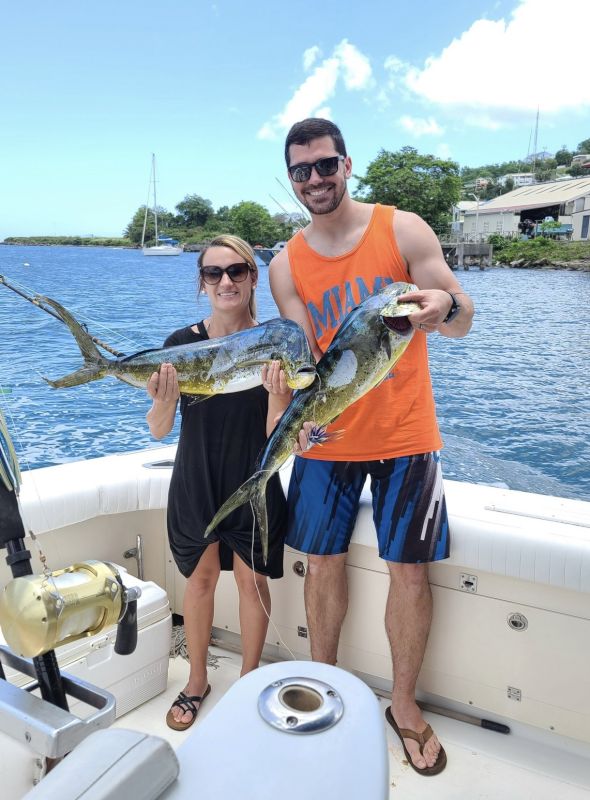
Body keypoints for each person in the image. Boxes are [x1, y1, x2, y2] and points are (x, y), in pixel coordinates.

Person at [269, 118, 474, 776]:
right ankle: (323, 687)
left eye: (324, 165)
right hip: (327, 437)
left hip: (408, 433)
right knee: (321, 565)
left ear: (347, 164)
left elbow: (462, 316)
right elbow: (303, 359)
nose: (314, 180)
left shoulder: (402, 228)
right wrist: (289, 405)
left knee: (409, 571)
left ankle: (405, 707)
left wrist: (442, 303)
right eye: (300, 171)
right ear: (292, 179)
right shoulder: (285, 264)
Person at [147, 234, 290, 731]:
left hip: (254, 476)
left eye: (236, 271)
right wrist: (163, 401)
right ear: (202, 283)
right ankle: (196, 680)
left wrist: (277, 396)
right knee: (201, 579)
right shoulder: (180, 346)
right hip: (197, 476)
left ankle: (250, 677)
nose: (225, 281)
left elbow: (280, 431)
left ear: (253, 278)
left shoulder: (277, 340)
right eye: (214, 273)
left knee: (253, 583)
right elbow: (161, 427)